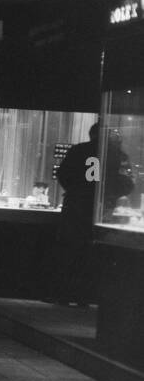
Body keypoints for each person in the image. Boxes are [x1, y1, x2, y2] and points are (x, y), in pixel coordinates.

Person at [54, 123, 134, 305]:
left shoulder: (78, 150)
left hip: (75, 208)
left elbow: (63, 174)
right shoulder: (117, 154)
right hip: (101, 210)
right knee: (93, 254)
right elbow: (128, 183)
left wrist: (76, 191)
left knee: (70, 252)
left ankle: (64, 294)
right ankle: (86, 296)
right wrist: (109, 195)